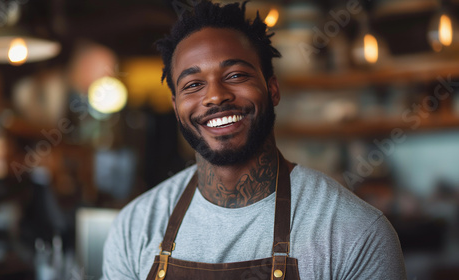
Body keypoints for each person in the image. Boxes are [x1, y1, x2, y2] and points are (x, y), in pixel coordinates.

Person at [102, 1, 407, 279]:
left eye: (235, 75)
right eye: (193, 84)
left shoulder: (355, 233)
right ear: (175, 106)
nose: (216, 96)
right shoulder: (134, 228)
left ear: (272, 89)